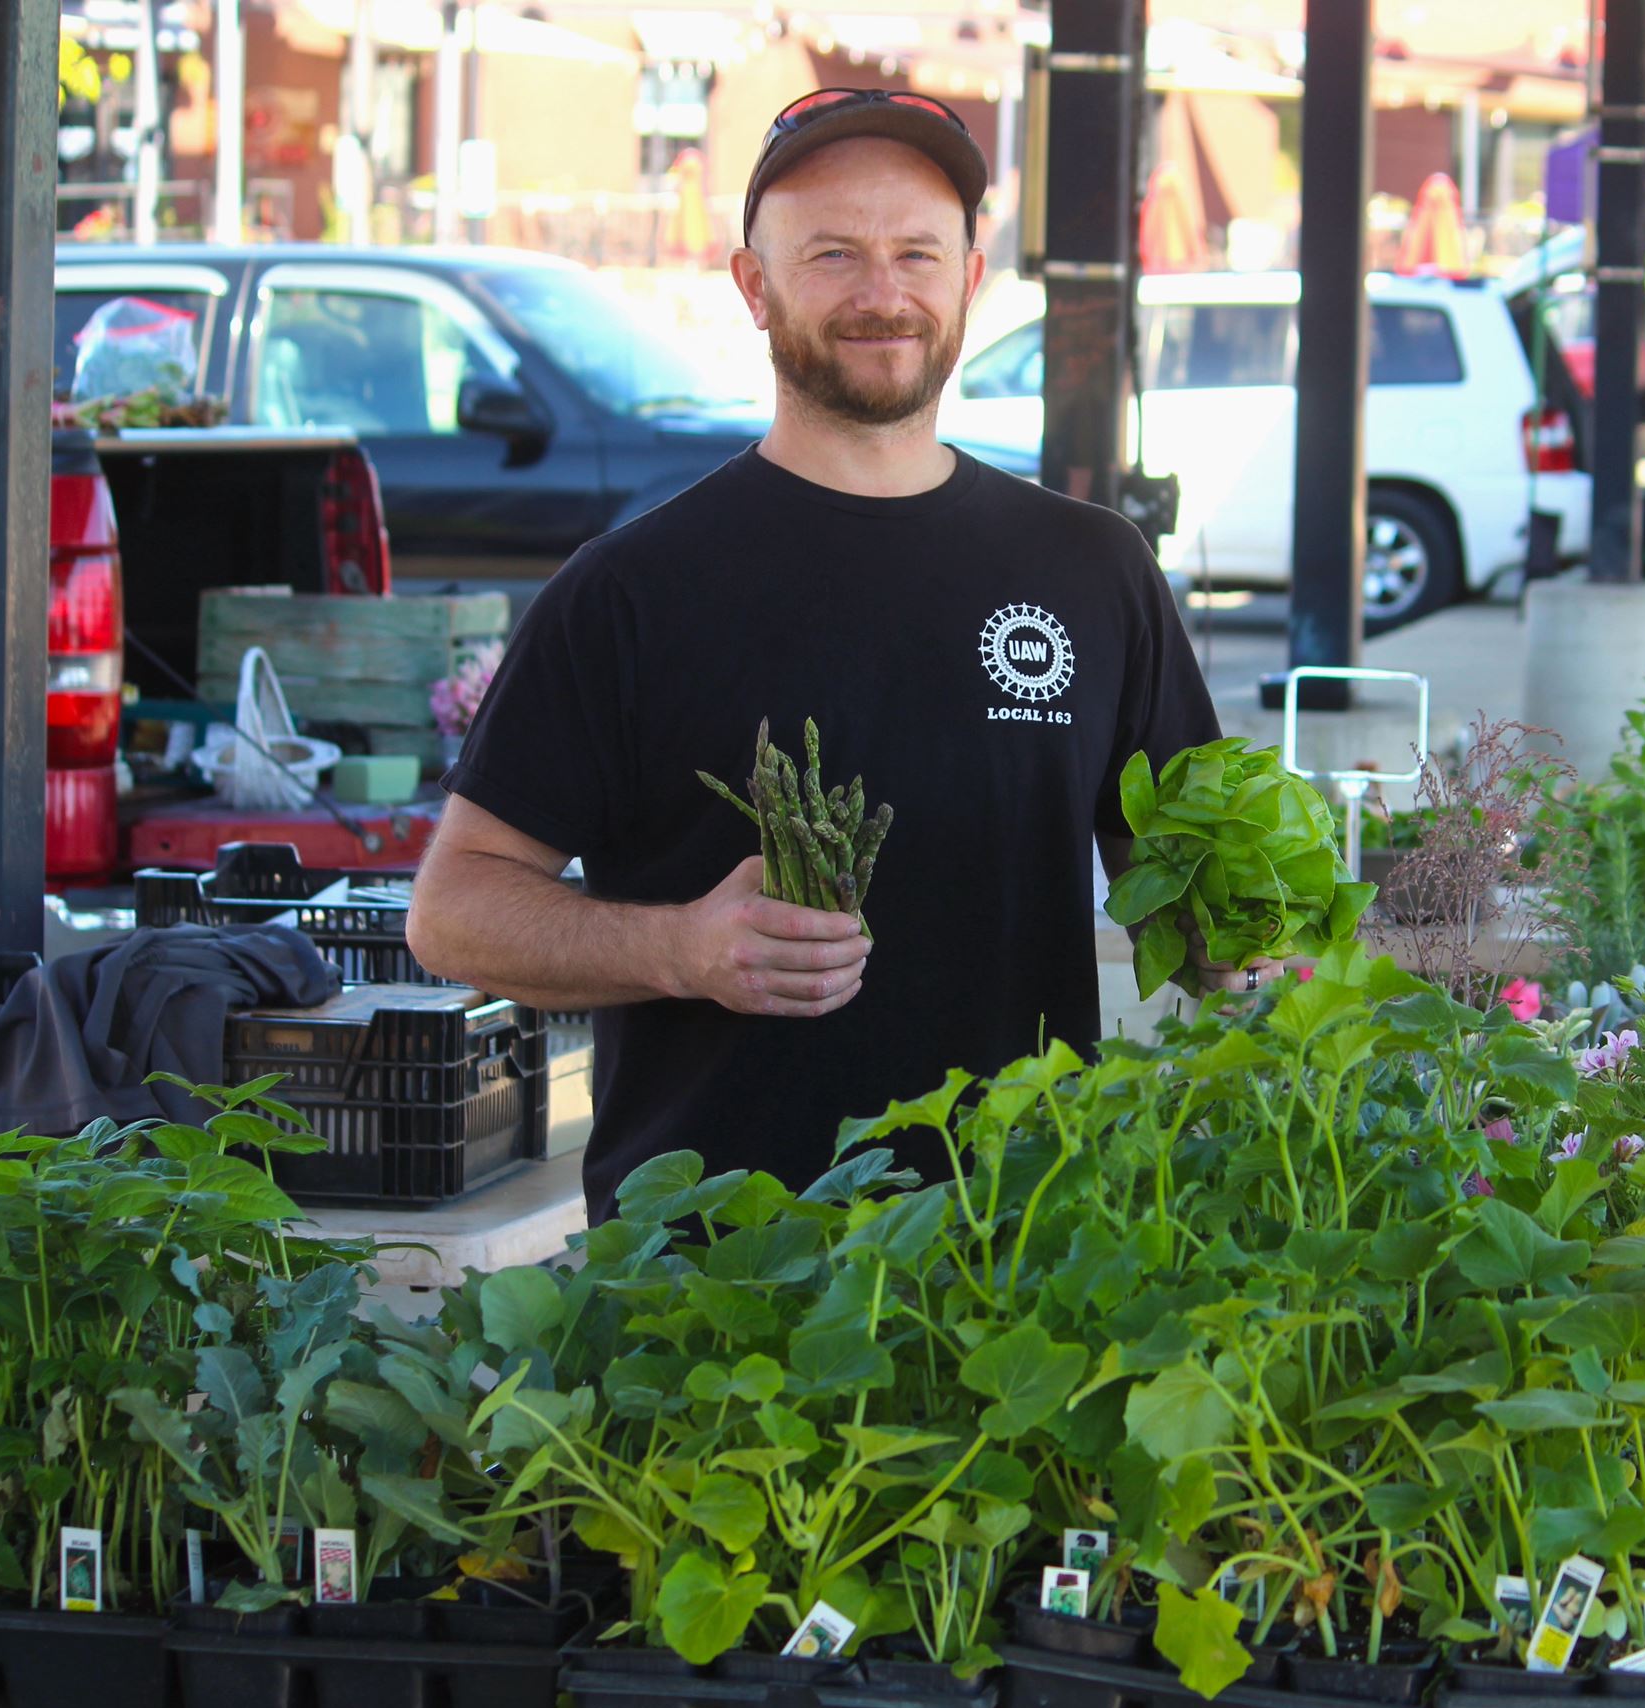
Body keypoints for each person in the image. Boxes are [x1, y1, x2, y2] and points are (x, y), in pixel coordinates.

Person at [406, 89, 1243, 1222]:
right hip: (712, 1279)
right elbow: (452, 910)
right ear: (754, 287)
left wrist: (1263, 933)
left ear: (969, 278)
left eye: (914, 253)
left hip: (1023, 1261)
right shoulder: (629, 590)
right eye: (833, 254)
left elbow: (1194, 901)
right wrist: (680, 948)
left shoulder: (1091, 569)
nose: (882, 294)